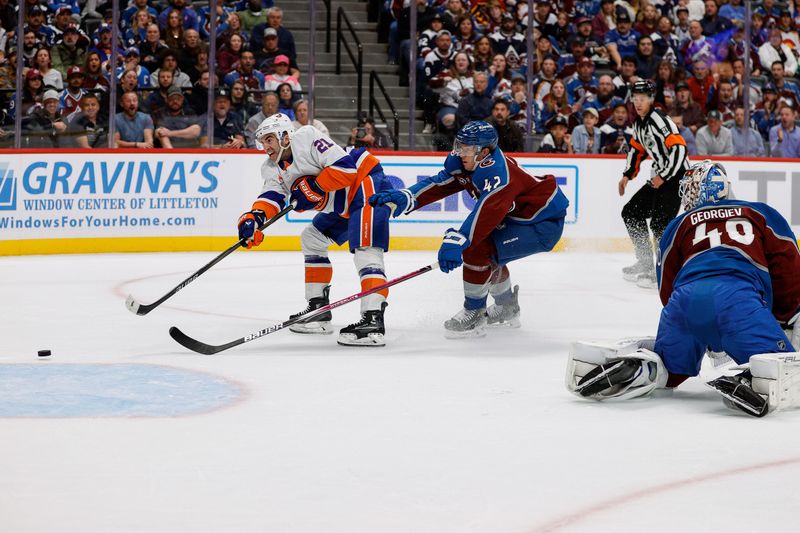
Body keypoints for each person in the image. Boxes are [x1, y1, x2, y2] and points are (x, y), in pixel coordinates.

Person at [566, 160, 800, 418]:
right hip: (738, 301)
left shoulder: (678, 224)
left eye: (690, 190)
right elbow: (789, 268)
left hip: (684, 304)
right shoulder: (760, 213)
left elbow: (666, 288)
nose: (687, 196)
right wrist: (782, 317)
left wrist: (695, 323)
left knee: (671, 369)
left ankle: (645, 370)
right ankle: (756, 377)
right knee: (782, 363)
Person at [368, 121, 569, 338]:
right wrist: (408, 196)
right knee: (486, 253)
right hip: (519, 218)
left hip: (542, 224)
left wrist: (459, 239)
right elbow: (441, 183)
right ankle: (507, 307)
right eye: (459, 145)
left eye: (467, 148)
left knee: (477, 249)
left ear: (483, 152)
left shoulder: (497, 173)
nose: (460, 152)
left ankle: (474, 313)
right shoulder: (466, 163)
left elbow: (485, 215)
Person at [240, 114, 394, 346]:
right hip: (342, 204)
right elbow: (272, 196)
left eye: (269, 139)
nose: (265, 146)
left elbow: (346, 168)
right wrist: (255, 217)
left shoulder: (307, 137)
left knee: (366, 248)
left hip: (366, 182)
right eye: (262, 141)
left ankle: (373, 319)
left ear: (285, 136)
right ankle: (318, 312)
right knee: (312, 238)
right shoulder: (271, 167)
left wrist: (316, 186)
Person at [618, 80, 689, 289]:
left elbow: (679, 150)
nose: (638, 103)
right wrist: (626, 175)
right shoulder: (639, 123)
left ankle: (661, 268)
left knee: (659, 224)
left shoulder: (659, 120)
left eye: (642, 99)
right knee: (631, 212)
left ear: (651, 100)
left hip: (675, 176)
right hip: (661, 177)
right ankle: (646, 261)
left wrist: (664, 175)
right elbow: (636, 149)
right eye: (635, 99)